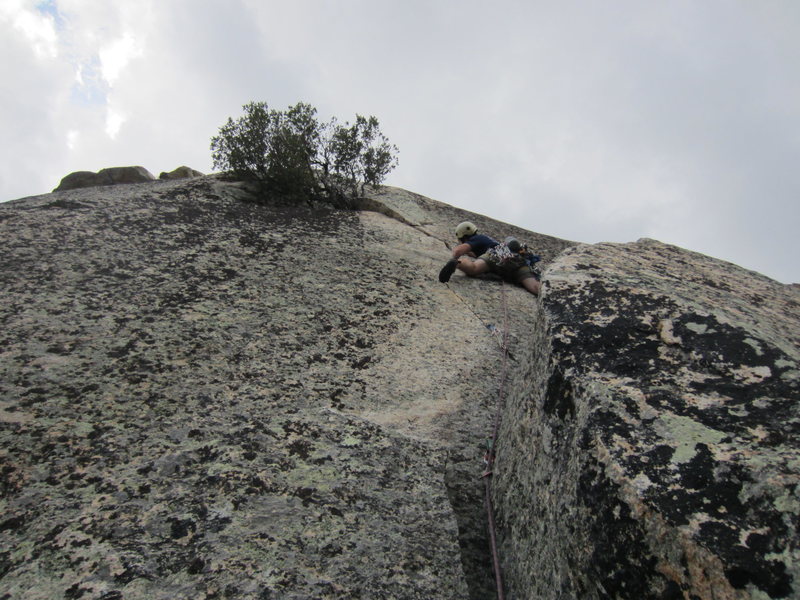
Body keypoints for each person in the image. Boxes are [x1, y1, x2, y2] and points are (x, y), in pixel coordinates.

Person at [438, 221, 541, 295]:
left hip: (497, 256)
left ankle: (457, 263)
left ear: (463, 237)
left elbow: (458, 251)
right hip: (517, 261)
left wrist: (454, 256)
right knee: (535, 287)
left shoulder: (476, 239)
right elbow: (475, 254)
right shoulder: (488, 240)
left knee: (474, 268)